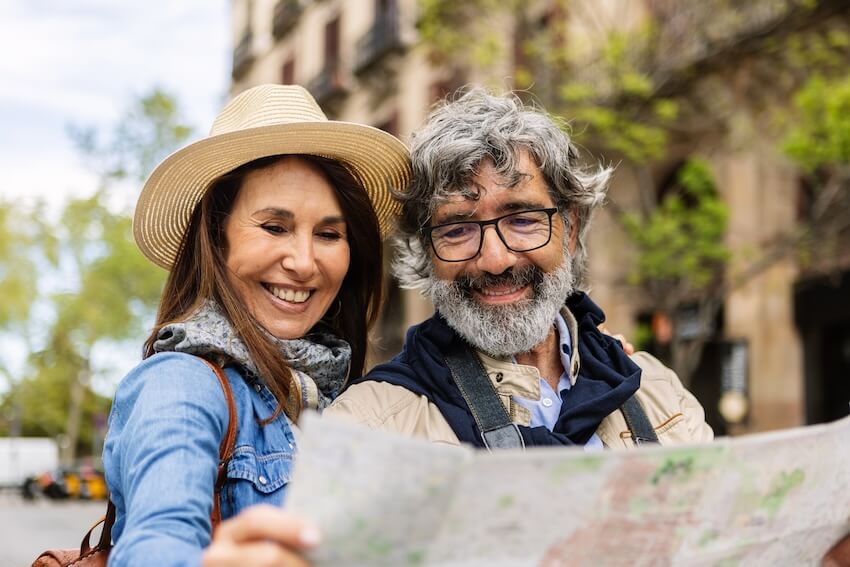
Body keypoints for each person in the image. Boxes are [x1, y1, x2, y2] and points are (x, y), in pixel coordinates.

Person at [102, 83, 409, 566]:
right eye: (274, 227)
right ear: (216, 238)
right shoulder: (179, 384)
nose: (304, 262)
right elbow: (158, 542)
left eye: (329, 234)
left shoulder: (338, 400)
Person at [324, 88, 712, 448]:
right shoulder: (366, 429)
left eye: (522, 220)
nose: (495, 260)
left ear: (570, 229)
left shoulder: (660, 392)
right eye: (457, 229)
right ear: (428, 252)